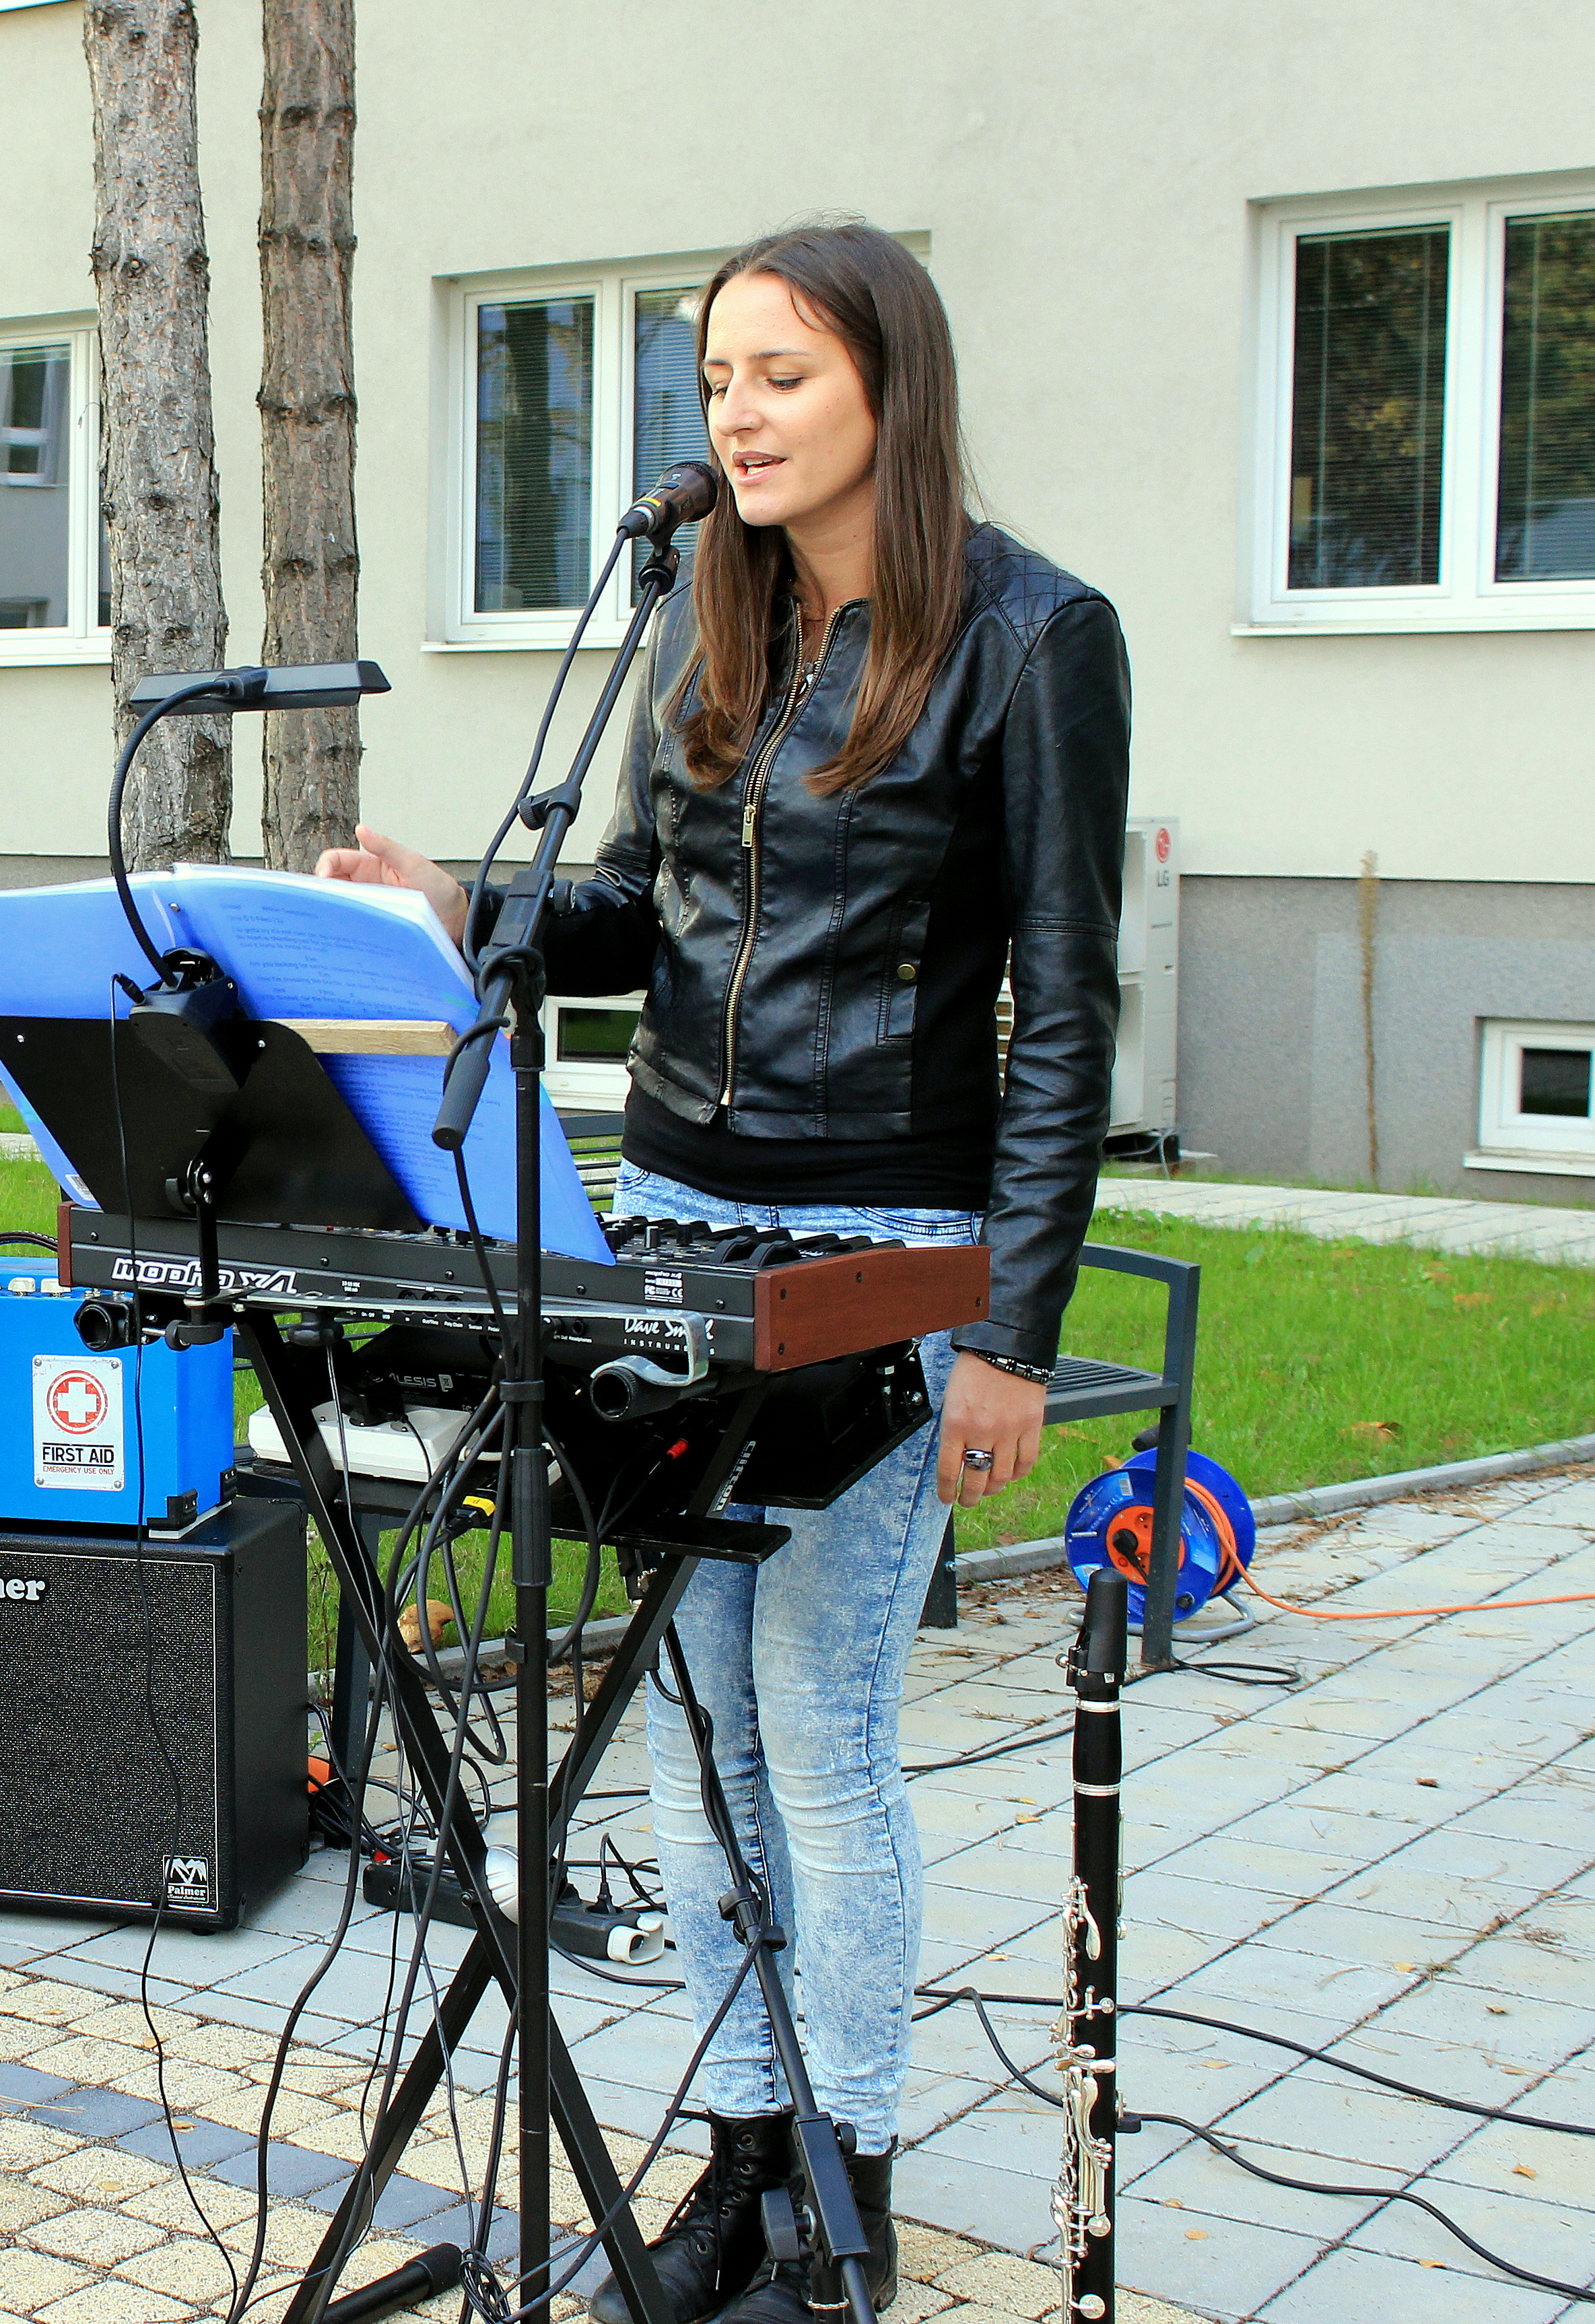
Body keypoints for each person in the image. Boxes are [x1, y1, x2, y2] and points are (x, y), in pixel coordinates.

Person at [324, 220, 1129, 2323]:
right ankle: (737, 2169)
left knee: (815, 1726)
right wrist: (455, 902)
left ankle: (840, 2201)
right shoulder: (701, 603)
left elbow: (1062, 1012)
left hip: (886, 1248)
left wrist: (1010, 1341)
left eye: (777, 375)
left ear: (887, 386)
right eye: (713, 383)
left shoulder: (1037, 638)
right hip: (674, 1223)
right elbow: (627, 911)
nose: (735, 419)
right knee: (686, 1738)